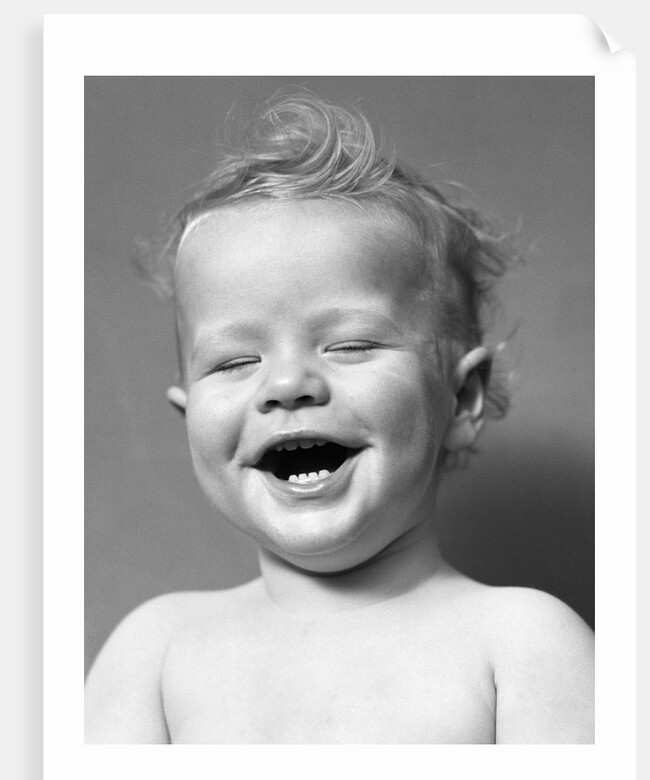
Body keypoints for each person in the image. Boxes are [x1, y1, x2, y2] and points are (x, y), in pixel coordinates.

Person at [85, 93, 594, 744]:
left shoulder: (523, 646)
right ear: (188, 420)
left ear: (462, 398)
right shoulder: (155, 657)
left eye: (349, 345)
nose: (287, 384)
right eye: (236, 361)